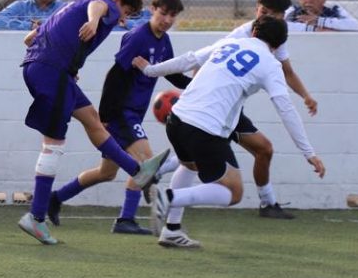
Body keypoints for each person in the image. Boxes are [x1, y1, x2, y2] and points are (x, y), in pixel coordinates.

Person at [139, 16, 326, 249]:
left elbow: (189, 59)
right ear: (277, 46)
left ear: (254, 32)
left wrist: (150, 70)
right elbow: (286, 109)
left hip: (176, 119)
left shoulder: (229, 43)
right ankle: (168, 197)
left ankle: (172, 230)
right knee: (233, 191)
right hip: (204, 128)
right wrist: (309, 153)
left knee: (189, 166)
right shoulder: (271, 64)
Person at [17, 0, 169, 245]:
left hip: (52, 71)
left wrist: (63, 62)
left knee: (92, 120)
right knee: (53, 144)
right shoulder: (103, 5)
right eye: (126, 12)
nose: (123, 19)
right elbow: (99, 7)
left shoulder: (72, 5)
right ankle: (36, 217)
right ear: (118, 0)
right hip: (51, 73)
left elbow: (29, 39)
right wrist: (94, 21)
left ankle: (138, 170)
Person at [47, 0, 190, 235]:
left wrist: (196, 84)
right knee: (146, 163)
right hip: (122, 113)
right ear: (153, 9)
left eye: (172, 16)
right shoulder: (138, 37)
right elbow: (115, 75)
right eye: (163, 13)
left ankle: (56, 198)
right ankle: (126, 219)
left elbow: (171, 73)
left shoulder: (164, 41)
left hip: (133, 113)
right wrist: (105, 116)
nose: (167, 20)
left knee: (107, 172)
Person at [221, 0, 319, 219]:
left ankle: (268, 204)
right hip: (217, 110)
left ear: (282, 17)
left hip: (231, 111)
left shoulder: (275, 36)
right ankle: (166, 189)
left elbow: (287, 72)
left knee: (263, 150)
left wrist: (306, 96)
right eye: (263, 11)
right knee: (193, 159)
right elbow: (203, 62)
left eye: (273, 14)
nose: (265, 17)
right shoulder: (238, 36)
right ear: (257, 8)